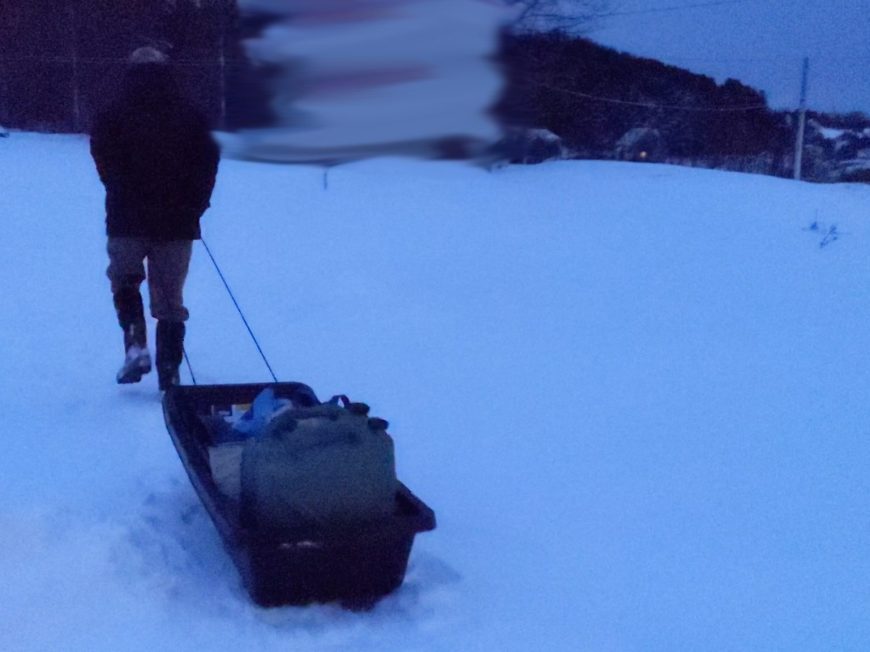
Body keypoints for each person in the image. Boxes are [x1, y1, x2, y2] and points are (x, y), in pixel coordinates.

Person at [91, 47, 220, 390]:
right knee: (170, 301)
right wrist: (197, 204)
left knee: (125, 280)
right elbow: (208, 161)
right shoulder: (191, 115)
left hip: (125, 217)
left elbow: (101, 154)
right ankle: (169, 371)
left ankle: (135, 346)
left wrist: (116, 187)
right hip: (177, 222)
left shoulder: (113, 113)